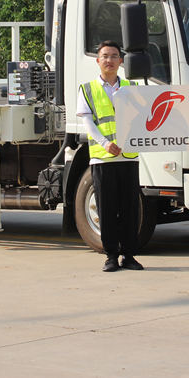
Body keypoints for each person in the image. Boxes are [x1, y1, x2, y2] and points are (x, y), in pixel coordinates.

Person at [77, 40, 144, 272]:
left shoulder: (130, 86)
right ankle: (111, 256)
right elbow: (89, 123)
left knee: (129, 209)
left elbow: (141, 119)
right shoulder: (87, 89)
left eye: (114, 56)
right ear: (98, 61)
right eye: (105, 56)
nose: (109, 60)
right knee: (106, 209)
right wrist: (106, 144)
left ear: (121, 61)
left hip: (128, 157)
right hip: (103, 159)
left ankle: (129, 255)